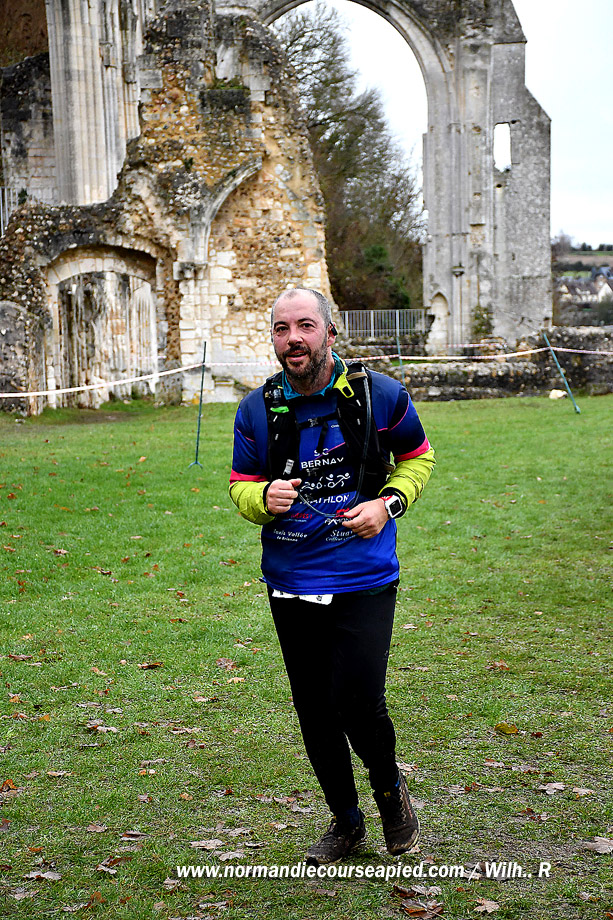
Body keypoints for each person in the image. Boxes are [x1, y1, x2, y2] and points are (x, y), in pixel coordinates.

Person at [229, 287, 435, 865]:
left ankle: (391, 795)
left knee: (358, 702)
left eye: (305, 326)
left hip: (363, 577)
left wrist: (386, 505)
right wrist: (262, 498)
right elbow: (240, 485)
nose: (292, 339)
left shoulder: (381, 395)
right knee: (315, 710)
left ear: (330, 333)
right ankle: (346, 823)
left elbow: (418, 458)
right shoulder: (256, 409)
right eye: (281, 329)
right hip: (290, 580)